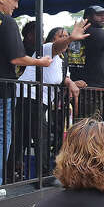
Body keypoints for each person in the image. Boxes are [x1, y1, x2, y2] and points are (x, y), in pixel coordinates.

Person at [0, 0, 53, 186]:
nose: (16, 6)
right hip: (1, 90)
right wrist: (39, 62)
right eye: (14, 0)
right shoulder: (7, 22)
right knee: (1, 137)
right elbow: (16, 58)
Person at [14, 24, 88, 180]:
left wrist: (73, 83)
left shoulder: (62, 61)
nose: (64, 39)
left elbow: (64, 78)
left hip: (40, 101)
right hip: (29, 96)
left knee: (22, 138)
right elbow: (58, 46)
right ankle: (45, 175)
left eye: (66, 36)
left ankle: (13, 170)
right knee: (42, 135)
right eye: (60, 36)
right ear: (52, 39)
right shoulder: (46, 49)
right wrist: (70, 38)